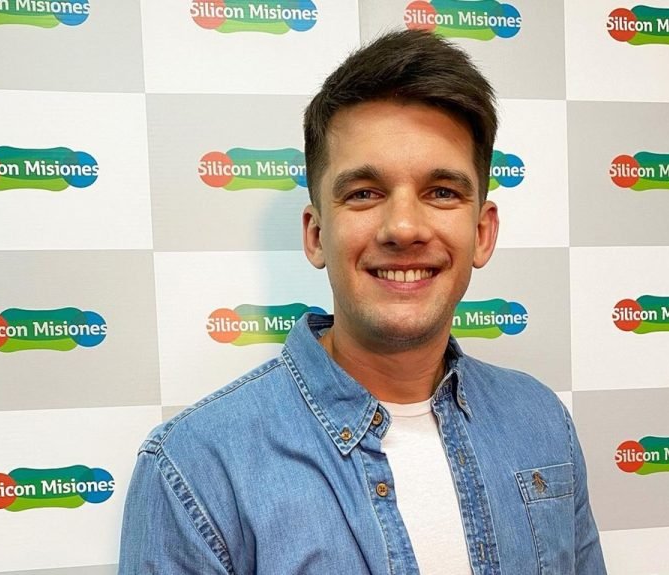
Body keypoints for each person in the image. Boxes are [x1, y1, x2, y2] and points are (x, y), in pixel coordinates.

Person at [119, 30, 606, 574]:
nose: (403, 227)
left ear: (482, 232)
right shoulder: (195, 467)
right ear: (315, 235)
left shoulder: (541, 421)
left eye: (442, 192)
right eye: (365, 194)